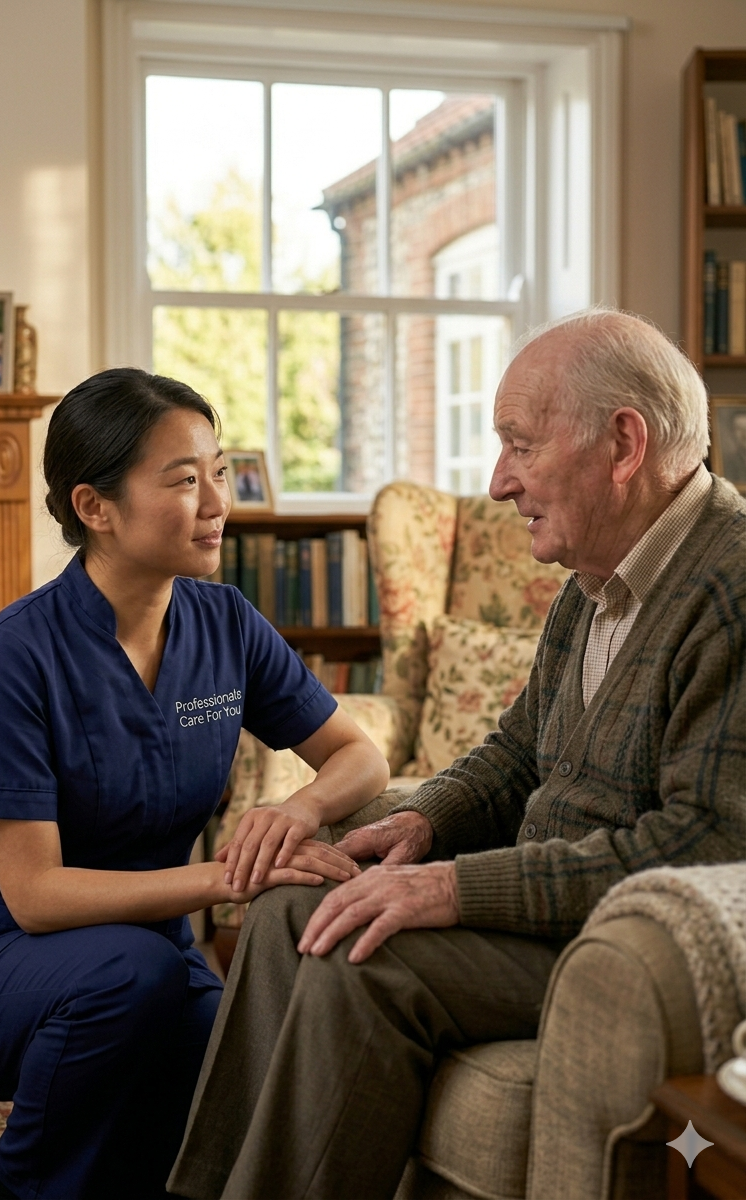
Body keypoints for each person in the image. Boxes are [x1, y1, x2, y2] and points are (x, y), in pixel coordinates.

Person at [168, 309, 746, 1200]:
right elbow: (516, 755)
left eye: (520, 445)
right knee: (291, 906)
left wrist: (450, 886)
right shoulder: (595, 581)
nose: (497, 482)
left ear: (624, 444)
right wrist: (417, 820)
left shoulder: (728, 592)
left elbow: (698, 850)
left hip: (618, 940)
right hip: (542, 897)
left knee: (361, 957)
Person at [0, 369, 389, 1200]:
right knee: (134, 981)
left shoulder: (226, 623)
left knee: (223, 1068)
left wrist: (293, 810)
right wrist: (232, 875)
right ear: (95, 508)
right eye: (184, 480)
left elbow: (359, 756)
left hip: (145, 960)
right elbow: (34, 895)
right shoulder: (11, 657)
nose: (216, 502)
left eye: (218, 472)